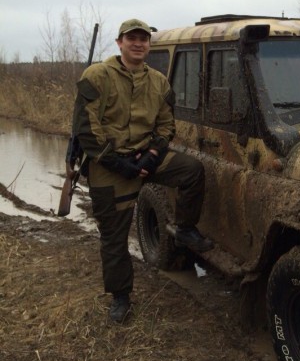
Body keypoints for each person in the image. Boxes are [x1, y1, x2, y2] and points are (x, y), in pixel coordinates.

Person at [72, 18, 214, 323]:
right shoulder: (96, 76)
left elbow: (166, 124)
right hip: (109, 163)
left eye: (143, 39)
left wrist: (151, 156)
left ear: (148, 45)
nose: (138, 43)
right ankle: (120, 296)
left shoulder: (159, 82)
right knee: (114, 238)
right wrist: (118, 163)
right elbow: (86, 129)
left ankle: (185, 229)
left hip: (145, 155)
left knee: (191, 170)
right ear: (119, 42)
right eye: (131, 38)